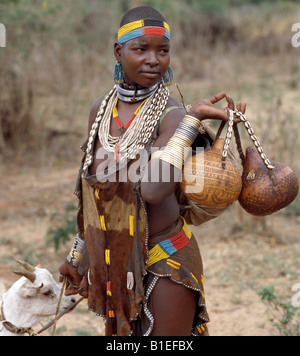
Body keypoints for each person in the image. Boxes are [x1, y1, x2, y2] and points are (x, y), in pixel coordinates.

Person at [59, 6, 246, 336]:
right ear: (119, 51)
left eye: (163, 51)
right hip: (117, 259)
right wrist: (77, 257)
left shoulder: (171, 114)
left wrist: (192, 122)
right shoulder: (100, 111)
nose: (153, 60)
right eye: (140, 49)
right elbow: (95, 196)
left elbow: (154, 190)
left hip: (166, 256)